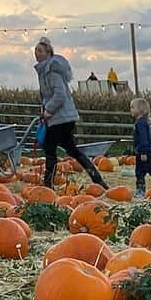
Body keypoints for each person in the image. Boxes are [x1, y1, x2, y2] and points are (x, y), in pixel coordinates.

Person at [33, 37, 108, 190]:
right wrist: (44, 111)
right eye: (35, 50)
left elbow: (60, 94)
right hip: (59, 118)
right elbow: (48, 96)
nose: (36, 53)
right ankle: (97, 179)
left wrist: (49, 110)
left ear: (48, 54)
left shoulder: (51, 71)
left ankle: (48, 185)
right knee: (71, 150)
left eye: (39, 50)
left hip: (60, 118)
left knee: (51, 149)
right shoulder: (44, 71)